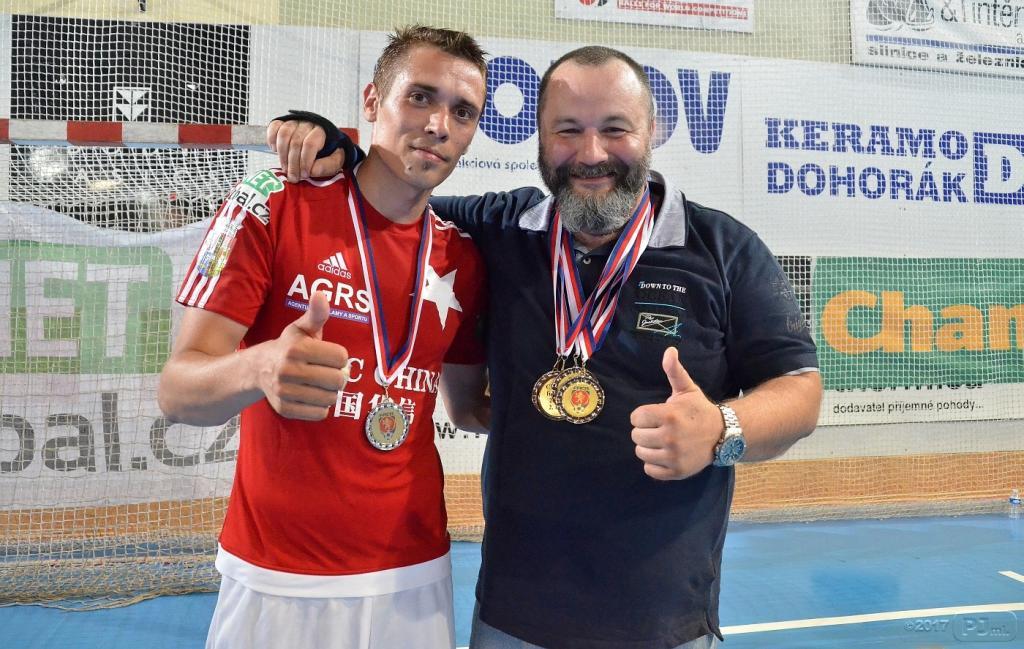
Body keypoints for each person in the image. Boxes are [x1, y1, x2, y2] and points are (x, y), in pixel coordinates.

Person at [269, 45, 823, 649]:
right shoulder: (499, 228)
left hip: (663, 623)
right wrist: (339, 149)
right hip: (511, 617)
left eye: (615, 129)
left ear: (652, 131)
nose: (591, 153)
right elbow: (396, 196)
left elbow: (799, 389)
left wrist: (721, 428)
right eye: (568, 130)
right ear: (538, 137)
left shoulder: (722, 249)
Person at [158, 26, 491, 649]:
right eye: (420, 97)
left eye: (462, 112)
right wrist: (259, 368)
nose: (438, 125)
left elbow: (470, 409)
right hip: (276, 576)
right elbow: (177, 393)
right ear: (372, 101)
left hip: (414, 574)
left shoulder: (463, 258)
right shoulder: (270, 204)